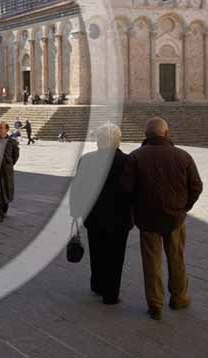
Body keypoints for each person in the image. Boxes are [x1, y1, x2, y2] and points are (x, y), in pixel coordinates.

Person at [123, 117, 203, 321]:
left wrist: (136, 210)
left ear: (145, 135)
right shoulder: (183, 156)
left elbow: (126, 190)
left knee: (151, 262)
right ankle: (179, 298)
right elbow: (196, 186)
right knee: (176, 258)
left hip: (147, 219)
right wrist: (184, 207)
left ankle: (155, 305)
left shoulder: (135, 157)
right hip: (175, 218)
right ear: (166, 133)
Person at [70, 124, 133, 305]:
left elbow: (77, 189)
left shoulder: (87, 160)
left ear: (101, 141)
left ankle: (97, 284)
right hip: (120, 217)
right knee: (116, 255)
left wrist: (76, 212)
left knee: (97, 251)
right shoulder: (127, 161)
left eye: (98, 139)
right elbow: (133, 189)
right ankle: (110, 294)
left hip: (94, 215)